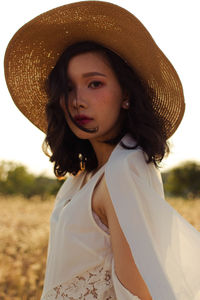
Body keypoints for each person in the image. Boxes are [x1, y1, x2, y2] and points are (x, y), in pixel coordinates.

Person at [4, 1, 200, 300]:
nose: (78, 100)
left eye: (94, 83)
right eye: (68, 88)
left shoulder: (124, 169)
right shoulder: (89, 174)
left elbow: (139, 293)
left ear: (126, 96)